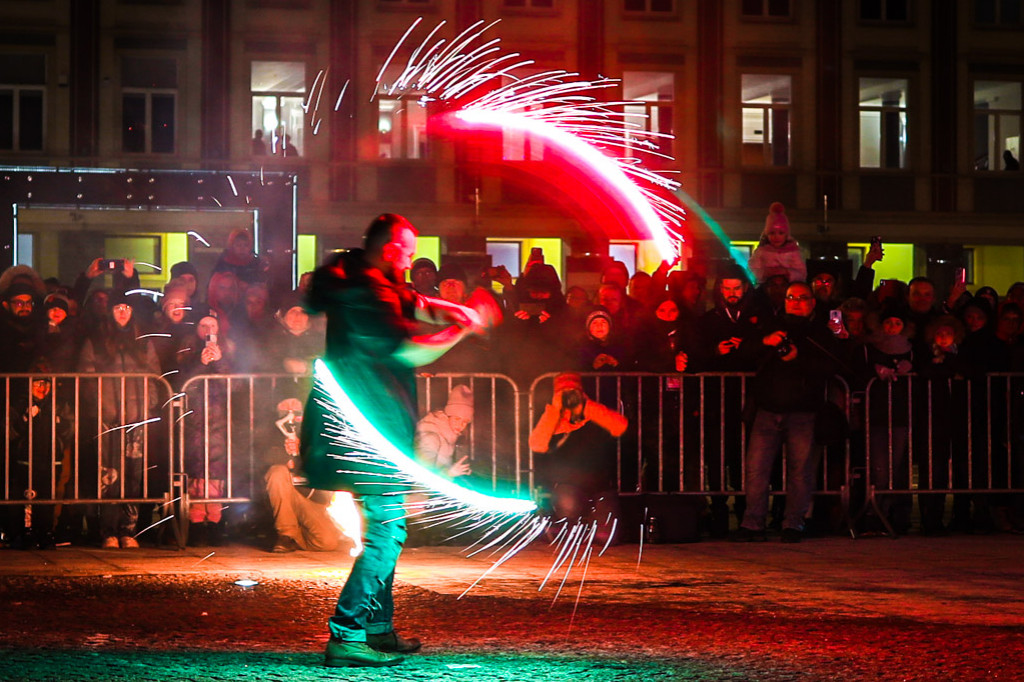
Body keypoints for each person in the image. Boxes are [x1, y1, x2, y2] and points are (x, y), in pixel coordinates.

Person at [299, 213, 486, 668]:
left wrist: (448, 308)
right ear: (388, 250)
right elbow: (407, 350)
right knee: (387, 530)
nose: (411, 259)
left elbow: (410, 300)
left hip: (367, 424)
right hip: (369, 426)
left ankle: (377, 628)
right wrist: (459, 329)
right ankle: (347, 633)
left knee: (383, 525)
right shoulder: (370, 290)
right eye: (406, 250)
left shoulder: (368, 278)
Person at [733, 281, 846, 543]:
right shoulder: (771, 325)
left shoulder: (821, 332)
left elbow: (832, 366)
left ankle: (794, 523)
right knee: (756, 470)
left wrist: (798, 358)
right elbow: (744, 353)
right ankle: (753, 523)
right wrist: (765, 341)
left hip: (804, 411)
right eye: (790, 297)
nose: (795, 301)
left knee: (800, 470)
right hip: (767, 407)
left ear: (812, 302)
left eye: (801, 297)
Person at [529, 372, 628, 545]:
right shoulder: (554, 420)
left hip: (599, 487)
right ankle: (565, 525)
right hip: (567, 487)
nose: (569, 397)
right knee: (569, 505)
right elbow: (537, 444)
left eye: (573, 392)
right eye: (564, 393)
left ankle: (588, 527)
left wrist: (586, 406)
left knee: (608, 538)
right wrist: (556, 409)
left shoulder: (593, 413)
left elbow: (620, 426)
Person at [265, 398, 350, 554]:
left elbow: (327, 462)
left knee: (326, 542)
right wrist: (286, 454)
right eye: (285, 404)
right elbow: (263, 460)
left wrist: (302, 452)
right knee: (277, 473)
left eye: (295, 404)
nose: (290, 409)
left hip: (312, 499)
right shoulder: (268, 430)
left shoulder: (318, 430)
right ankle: (286, 534)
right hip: (282, 495)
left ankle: (295, 537)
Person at [747, 202, 806, 286]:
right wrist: (765, 272)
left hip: (788, 289)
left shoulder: (794, 252)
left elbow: (802, 273)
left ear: (786, 234)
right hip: (766, 289)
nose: (776, 237)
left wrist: (786, 272)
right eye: (772, 233)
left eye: (781, 233)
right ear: (767, 234)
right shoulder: (761, 251)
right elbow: (750, 271)